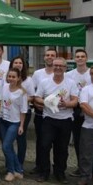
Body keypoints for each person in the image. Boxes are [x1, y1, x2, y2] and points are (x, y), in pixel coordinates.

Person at [33, 57, 79, 184]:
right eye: (56, 65)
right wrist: (48, 102)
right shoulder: (44, 82)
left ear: (65, 68)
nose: (58, 68)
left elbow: (75, 100)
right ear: (52, 67)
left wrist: (66, 104)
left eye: (61, 66)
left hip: (65, 119)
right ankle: (44, 172)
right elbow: (37, 98)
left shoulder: (71, 83)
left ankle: (60, 172)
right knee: (44, 146)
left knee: (62, 148)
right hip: (49, 119)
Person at [67, 49, 93, 179]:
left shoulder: (92, 73)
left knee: (91, 141)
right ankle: (81, 168)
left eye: (82, 56)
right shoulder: (69, 75)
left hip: (90, 109)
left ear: (86, 58)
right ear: (75, 59)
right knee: (78, 140)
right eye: (78, 57)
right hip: (76, 109)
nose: (80, 59)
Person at [30, 47, 57, 175]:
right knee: (41, 141)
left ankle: (57, 168)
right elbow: (33, 92)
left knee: (57, 143)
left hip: (58, 114)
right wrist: (36, 103)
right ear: (44, 57)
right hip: (41, 113)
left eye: (52, 55)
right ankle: (40, 165)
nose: (50, 57)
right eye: (47, 55)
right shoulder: (38, 74)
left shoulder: (62, 74)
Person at [0, 69, 28, 182]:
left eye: (13, 77)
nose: (11, 79)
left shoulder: (21, 92)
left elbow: (23, 110)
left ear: (18, 78)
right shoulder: (4, 87)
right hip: (3, 120)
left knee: (6, 146)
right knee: (9, 147)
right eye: (9, 76)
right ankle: (18, 170)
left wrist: (21, 126)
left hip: (14, 122)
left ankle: (11, 171)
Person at [8, 55, 34, 168]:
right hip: (9, 112)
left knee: (21, 139)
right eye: (15, 62)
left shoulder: (28, 80)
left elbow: (32, 96)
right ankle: (10, 162)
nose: (18, 64)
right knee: (8, 140)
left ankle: (20, 163)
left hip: (23, 112)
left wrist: (19, 100)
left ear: (23, 65)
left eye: (20, 63)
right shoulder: (8, 78)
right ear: (12, 65)